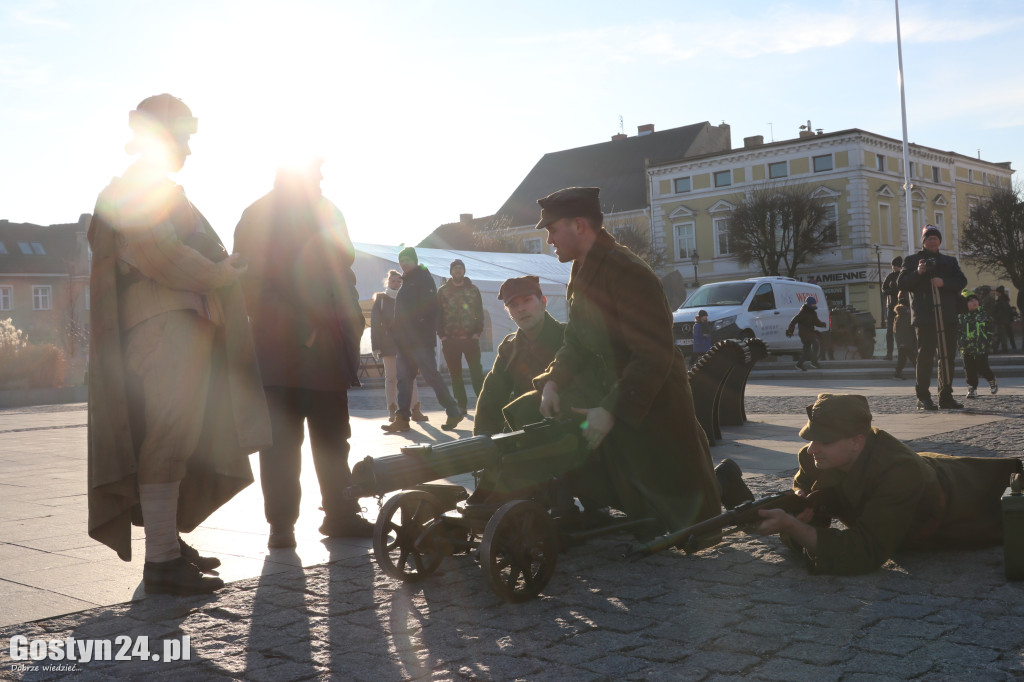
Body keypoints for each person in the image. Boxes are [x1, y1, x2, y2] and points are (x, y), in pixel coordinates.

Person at [87, 94, 271, 594]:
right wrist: (219, 272)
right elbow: (159, 253)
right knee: (169, 438)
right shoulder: (137, 188)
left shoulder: (153, 188)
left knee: (178, 438)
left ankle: (166, 546)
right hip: (164, 326)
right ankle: (162, 560)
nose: (189, 146)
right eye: (182, 136)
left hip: (178, 325)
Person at [521, 186, 720, 538]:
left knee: (682, 523)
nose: (549, 240)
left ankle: (720, 489)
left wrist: (610, 409)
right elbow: (576, 341)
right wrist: (553, 381)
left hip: (650, 402)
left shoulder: (626, 271)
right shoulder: (582, 268)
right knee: (526, 413)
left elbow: (652, 353)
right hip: (611, 387)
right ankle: (558, 501)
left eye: (552, 230)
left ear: (578, 225)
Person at [234, 158, 373, 548]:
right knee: (280, 443)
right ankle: (282, 526)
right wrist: (303, 331)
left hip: (326, 349)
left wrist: (350, 326)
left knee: (333, 437)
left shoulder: (327, 210)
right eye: (315, 170)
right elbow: (250, 286)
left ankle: (340, 514)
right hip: (281, 353)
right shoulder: (259, 216)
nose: (322, 177)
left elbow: (343, 271)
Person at [753, 393, 1021, 575]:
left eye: (825, 441)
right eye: (811, 439)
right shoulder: (815, 458)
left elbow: (865, 553)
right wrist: (798, 512)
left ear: (856, 441)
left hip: (967, 502)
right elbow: (804, 512)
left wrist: (794, 528)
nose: (811, 449)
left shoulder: (899, 471)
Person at [382, 247, 464, 433]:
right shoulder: (407, 281)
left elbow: (430, 309)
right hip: (405, 342)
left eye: (408, 260)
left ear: (415, 260)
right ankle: (402, 418)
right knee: (404, 379)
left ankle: (453, 410)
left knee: (431, 376)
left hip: (420, 341)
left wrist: (418, 332)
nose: (404, 263)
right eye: (401, 260)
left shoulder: (423, 278)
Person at [474, 275, 565, 437]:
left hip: (568, 427)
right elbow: (491, 398)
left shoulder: (568, 338)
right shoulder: (509, 350)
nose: (520, 309)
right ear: (509, 313)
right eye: (513, 305)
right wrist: (482, 441)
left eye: (527, 300)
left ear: (543, 302)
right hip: (527, 435)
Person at [897, 225, 967, 411]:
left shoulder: (949, 262)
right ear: (923, 241)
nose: (932, 241)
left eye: (935, 238)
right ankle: (923, 397)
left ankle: (945, 395)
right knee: (925, 356)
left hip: (947, 315)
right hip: (925, 316)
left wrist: (944, 282)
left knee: (947, 357)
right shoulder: (912, 260)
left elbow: (962, 281)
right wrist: (918, 272)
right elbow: (902, 283)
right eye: (929, 238)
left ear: (939, 241)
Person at [370, 270, 426, 422]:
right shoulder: (381, 299)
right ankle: (392, 410)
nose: (396, 283)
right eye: (393, 281)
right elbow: (375, 324)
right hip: (388, 344)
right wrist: (375, 346)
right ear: (388, 282)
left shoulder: (408, 297)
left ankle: (415, 409)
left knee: (411, 377)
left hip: (407, 344)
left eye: (398, 280)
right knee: (391, 378)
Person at [437, 259, 485, 416]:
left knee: (476, 373)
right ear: (451, 272)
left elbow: (479, 312)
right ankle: (461, 405)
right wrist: (442, 335)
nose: (458, 271)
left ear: (464, 271)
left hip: (470, 339)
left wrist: (477, 333)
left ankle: (483, 403)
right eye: (455, 268)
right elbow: (438, 315)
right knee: (455, 375)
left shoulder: (473, 290)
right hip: (450, 340)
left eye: (460, 268)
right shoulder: (442, 291)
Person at [957, 290, 998, 398]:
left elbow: (991, 328)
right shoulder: (960, 316)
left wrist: (989, 340)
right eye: (970, 301)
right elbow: (956, 331)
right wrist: (959, 342)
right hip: (966, 348)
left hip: (981, 347)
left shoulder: (983, 314)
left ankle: (991, 379)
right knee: (969, 369)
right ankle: (972, 388)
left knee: (982, 367)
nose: (974, 302)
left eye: (975, 300)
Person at [786, 295, 827, 371]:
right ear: (809, 304)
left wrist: (822, 324)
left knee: (807, 351)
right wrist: (790, 331)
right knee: (816, 343)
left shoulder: (813, 313)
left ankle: (799, 364)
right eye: (813, 304)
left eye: (815, 304)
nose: (814, 305)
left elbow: (816, 322)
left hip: (810, 332)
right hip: (804, 334)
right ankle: (814, 362)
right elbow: (793, 321)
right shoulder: (803, 313)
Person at [881, 256, 903, 360]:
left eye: (896, 266)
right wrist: (890, 291)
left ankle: (903, 353)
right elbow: (884, 289)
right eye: (893, 266)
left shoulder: (903, 275)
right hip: (891, 306)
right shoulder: (890, 276)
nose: (894, 268)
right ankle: (889, 353)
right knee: (890, 330)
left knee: (902, 330)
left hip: (902, 307)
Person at [892, 295, 917, 380]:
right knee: (913, 358)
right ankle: (920, 373)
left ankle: (897, 373)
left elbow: (894, 330)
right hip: (908, 341)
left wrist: (899, 341)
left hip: (900, 342)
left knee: (902, 359)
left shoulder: (896, 317)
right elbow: (912, 328)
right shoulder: (909, 315)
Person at [992, 285, 1017, 353]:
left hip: (1001, 321)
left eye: (997, 291)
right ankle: (1013, 347)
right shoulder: (1005, 299)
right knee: (1007, 335)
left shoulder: (1001, 300)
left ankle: (1004, 349)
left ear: (999, 292)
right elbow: (1008, 309)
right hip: (1006, 320)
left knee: (1002, 335)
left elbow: (1000, 311)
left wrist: (996, 317)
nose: (996, 293)